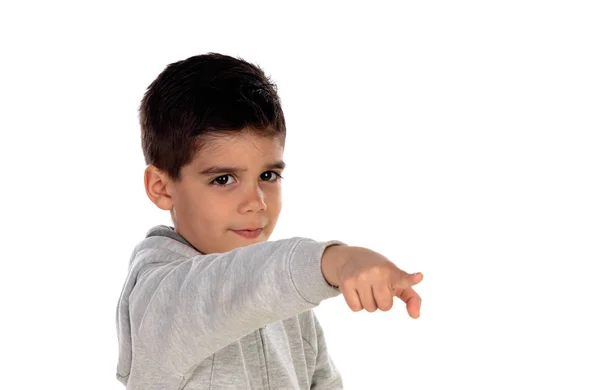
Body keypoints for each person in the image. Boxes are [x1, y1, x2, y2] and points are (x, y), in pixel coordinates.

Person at [115, 52, 424, 389]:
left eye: (268, 175)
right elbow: (231, 287)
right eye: (223, 179)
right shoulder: (157, 299)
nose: (256, 203)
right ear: (161, 187)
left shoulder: (290, 304)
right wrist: (332, 261)